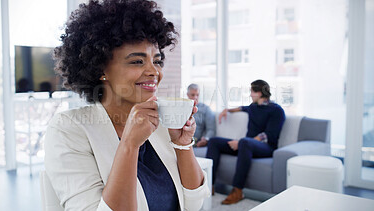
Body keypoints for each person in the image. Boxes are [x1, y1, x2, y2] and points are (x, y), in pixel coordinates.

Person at [44, 1, 210, 210]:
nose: (154, 71)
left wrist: (182, 144)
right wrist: (129, 145)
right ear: (100, 69)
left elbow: (194, 204)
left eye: (157, 61)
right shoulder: (68, 128)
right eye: (137, 61)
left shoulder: (159, 120)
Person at [206, 79, 285, 205]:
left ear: (259, 93)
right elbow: (242, 108)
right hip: (246, 146)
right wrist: (227, 110)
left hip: (266, 148)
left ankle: (238, 191)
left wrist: (241, 142)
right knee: (214, 142)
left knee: (244, 143)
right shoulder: (253, 107)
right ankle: (209, 186)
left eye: (252, 92)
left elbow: (268, 135)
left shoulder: (276, 110)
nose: (250, 95)